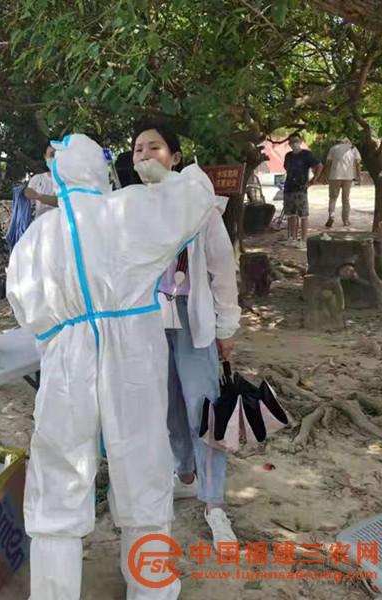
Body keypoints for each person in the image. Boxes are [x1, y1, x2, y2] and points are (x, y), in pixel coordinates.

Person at [7, 133, 216, 599]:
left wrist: (60, 331)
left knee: (60, 473)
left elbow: (22, 306)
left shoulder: (37, 236)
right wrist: (165, 178)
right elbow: (197, 197)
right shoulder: (128, 209)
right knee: (143, 462)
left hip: (67, 360)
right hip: (133, 354)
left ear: (59, 175)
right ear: (99, 171)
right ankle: (151, 588)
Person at [131, 125, 241, 549]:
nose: (145, 155)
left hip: (192, 316)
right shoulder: (132, 207)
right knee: (167, 403)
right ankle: (185, 474)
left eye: (154, 147)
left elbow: (221, 266)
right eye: (138, 149)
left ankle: (215, 504)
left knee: (203, 405)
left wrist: (226, 325)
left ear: (174, 157)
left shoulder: (198, 203)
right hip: (150, 319)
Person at [283, 132, 323, 249]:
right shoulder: (288, 156)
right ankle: (292, 238)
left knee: (303, 215)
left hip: (301, 189)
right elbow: (286, 168)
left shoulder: (306, 155)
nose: (294, 144)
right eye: (291, 142)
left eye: (296, 141)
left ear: (300, 141)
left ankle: (304, 239)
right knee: (291, 215)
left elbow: (319, 166)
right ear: (289, 143)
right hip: (288, 188)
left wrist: (313, 180)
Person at [325, 137, 361, 228]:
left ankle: (331, 216)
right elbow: (357, 163)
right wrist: (359, 176)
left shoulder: (333, 148)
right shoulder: (353, 148)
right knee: (346, 199)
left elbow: (328, 163)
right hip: (348, 177)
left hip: (334, 176)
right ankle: (346, 220)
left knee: (333, 198)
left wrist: (326, 175)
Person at [24, 142, 58, 220]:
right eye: (52, 155)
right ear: (45, 157)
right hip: (40, 224)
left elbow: (62, 202)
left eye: (57, 155)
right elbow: (29, 205)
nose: (55, 158)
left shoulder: (70, 180)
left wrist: (38, 196)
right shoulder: (37, 179)